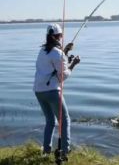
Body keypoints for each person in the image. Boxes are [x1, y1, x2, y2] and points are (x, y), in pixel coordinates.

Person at [33, 23, 80, 158]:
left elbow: (53, 62)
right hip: (52, 91)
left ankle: (46, 151)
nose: (61, 37)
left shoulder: (42, 50)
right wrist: (73, 64)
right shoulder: (57, 53)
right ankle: (65, 152)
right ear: (58, 36)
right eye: (61, 35)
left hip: (38, 91)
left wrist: (65, 51)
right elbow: (62, 76)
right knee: (65, 120)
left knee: (50, 121)